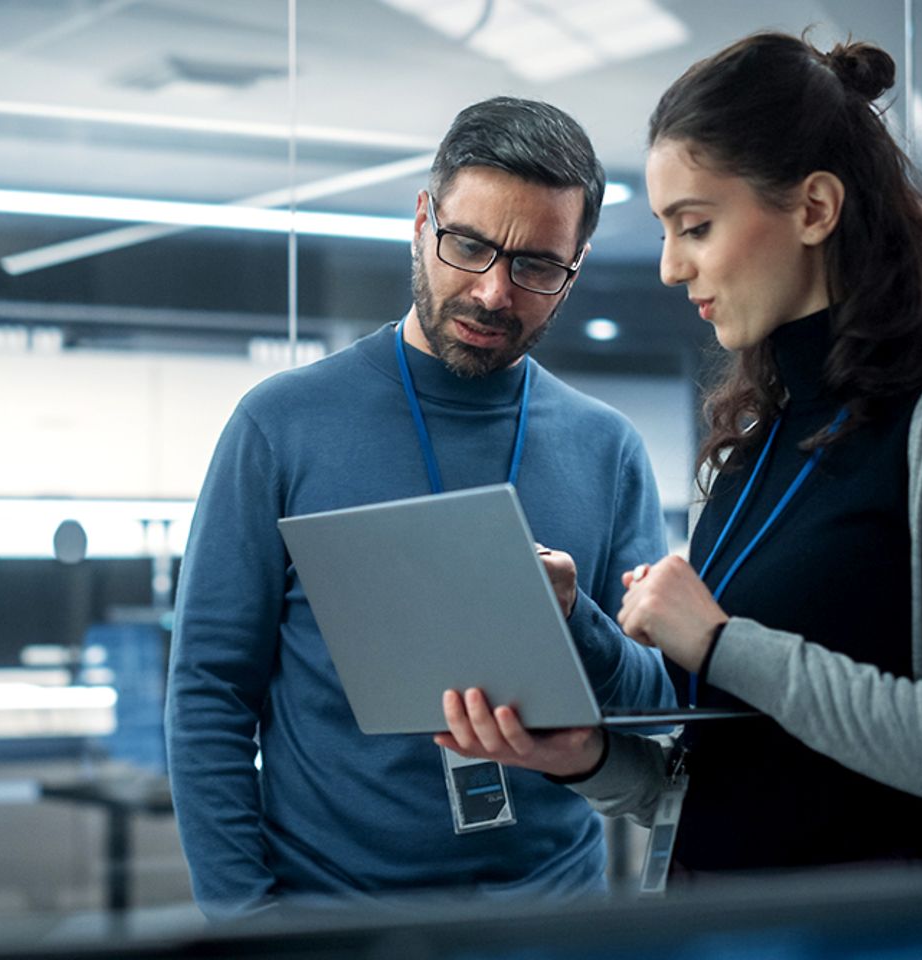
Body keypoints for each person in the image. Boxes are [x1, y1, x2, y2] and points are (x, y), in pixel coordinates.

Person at [438, 33, 922, 878]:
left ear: (814, 208)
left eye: (695, 225)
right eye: (666, 231)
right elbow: (714, 779)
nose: (669, 267)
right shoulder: (743, 453)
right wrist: (584, 756)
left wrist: (723, 643)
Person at [166, 96, 675, 916]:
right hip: (332, 920)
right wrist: (245, 921)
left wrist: (573, 617)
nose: (493, 291)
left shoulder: (606, 449)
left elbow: (654, 704)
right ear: (420, 220)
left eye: (537, 266)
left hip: (551, 922)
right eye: (468, 245)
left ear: (575, 267)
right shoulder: (282, 425)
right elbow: (209, 694)